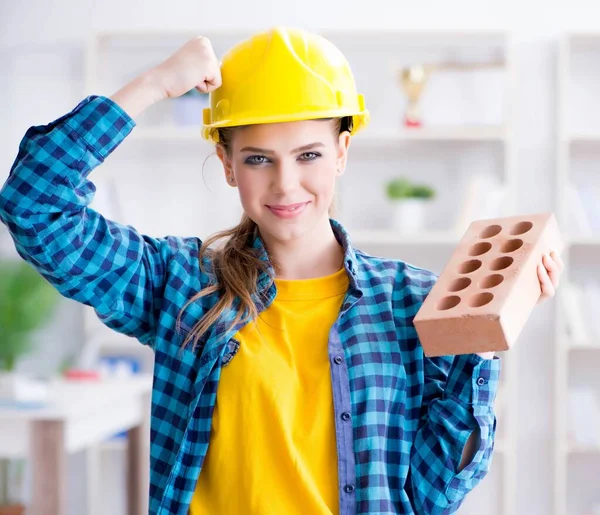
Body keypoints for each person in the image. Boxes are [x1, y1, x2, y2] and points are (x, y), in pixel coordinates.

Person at [0, 27, 562, 515]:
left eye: (309, 155)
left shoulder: (414, 305)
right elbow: (33, 203)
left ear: (342, 152)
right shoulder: (184, 287)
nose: (286, 184)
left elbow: (434, 494)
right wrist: (154, 85)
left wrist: (484, 339)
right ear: (226, 164)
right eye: (258, 158)